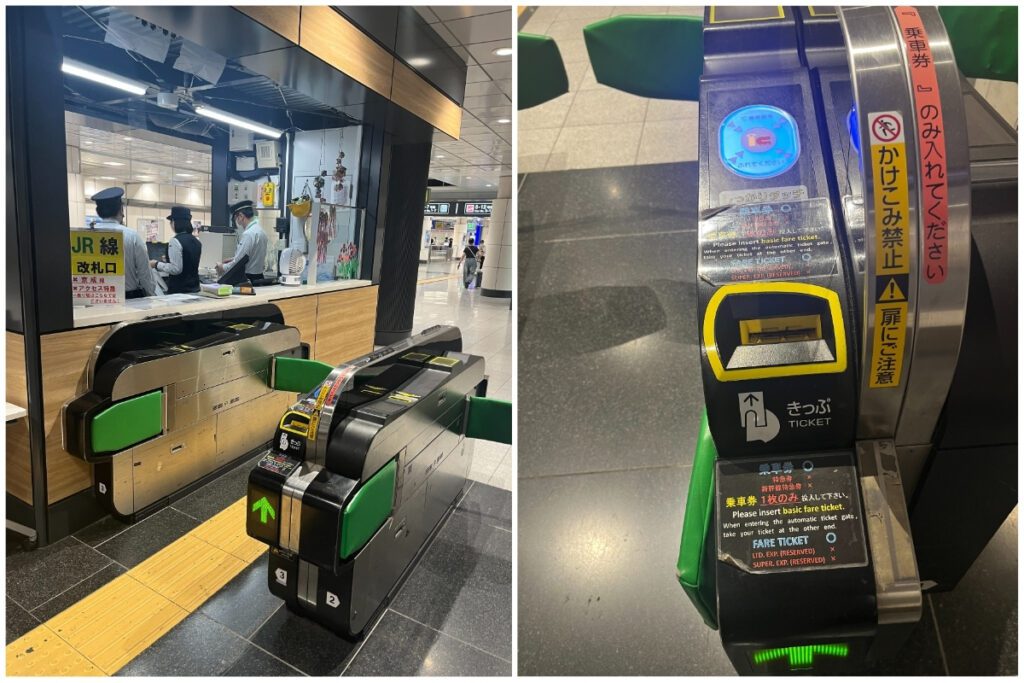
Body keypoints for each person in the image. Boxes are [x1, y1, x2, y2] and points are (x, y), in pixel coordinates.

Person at [90, 187, 157, 299]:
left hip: (96, 298)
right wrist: (151, 294)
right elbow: (145, 274)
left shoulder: (87, 235)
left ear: (98, 212)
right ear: (121, 209)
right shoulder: (132, 236)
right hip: (128, 299)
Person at [152, 206, 202, 294]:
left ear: (174, 222)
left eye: (171, 221)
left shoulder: (175, 241)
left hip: (179, 291)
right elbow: (189, 260)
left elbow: (176, 269)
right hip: (195, 289)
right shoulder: (196, 241)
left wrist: (156, 264)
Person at [217, 199, 268, 284]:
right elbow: (252, 255)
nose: (237, 222)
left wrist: (222, 267)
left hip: (247, 279)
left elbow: (238, 263)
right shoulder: (261, 231)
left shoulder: (248, 234)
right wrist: (233, 258)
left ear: (241, 216)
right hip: (259, 277)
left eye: (236, 218)